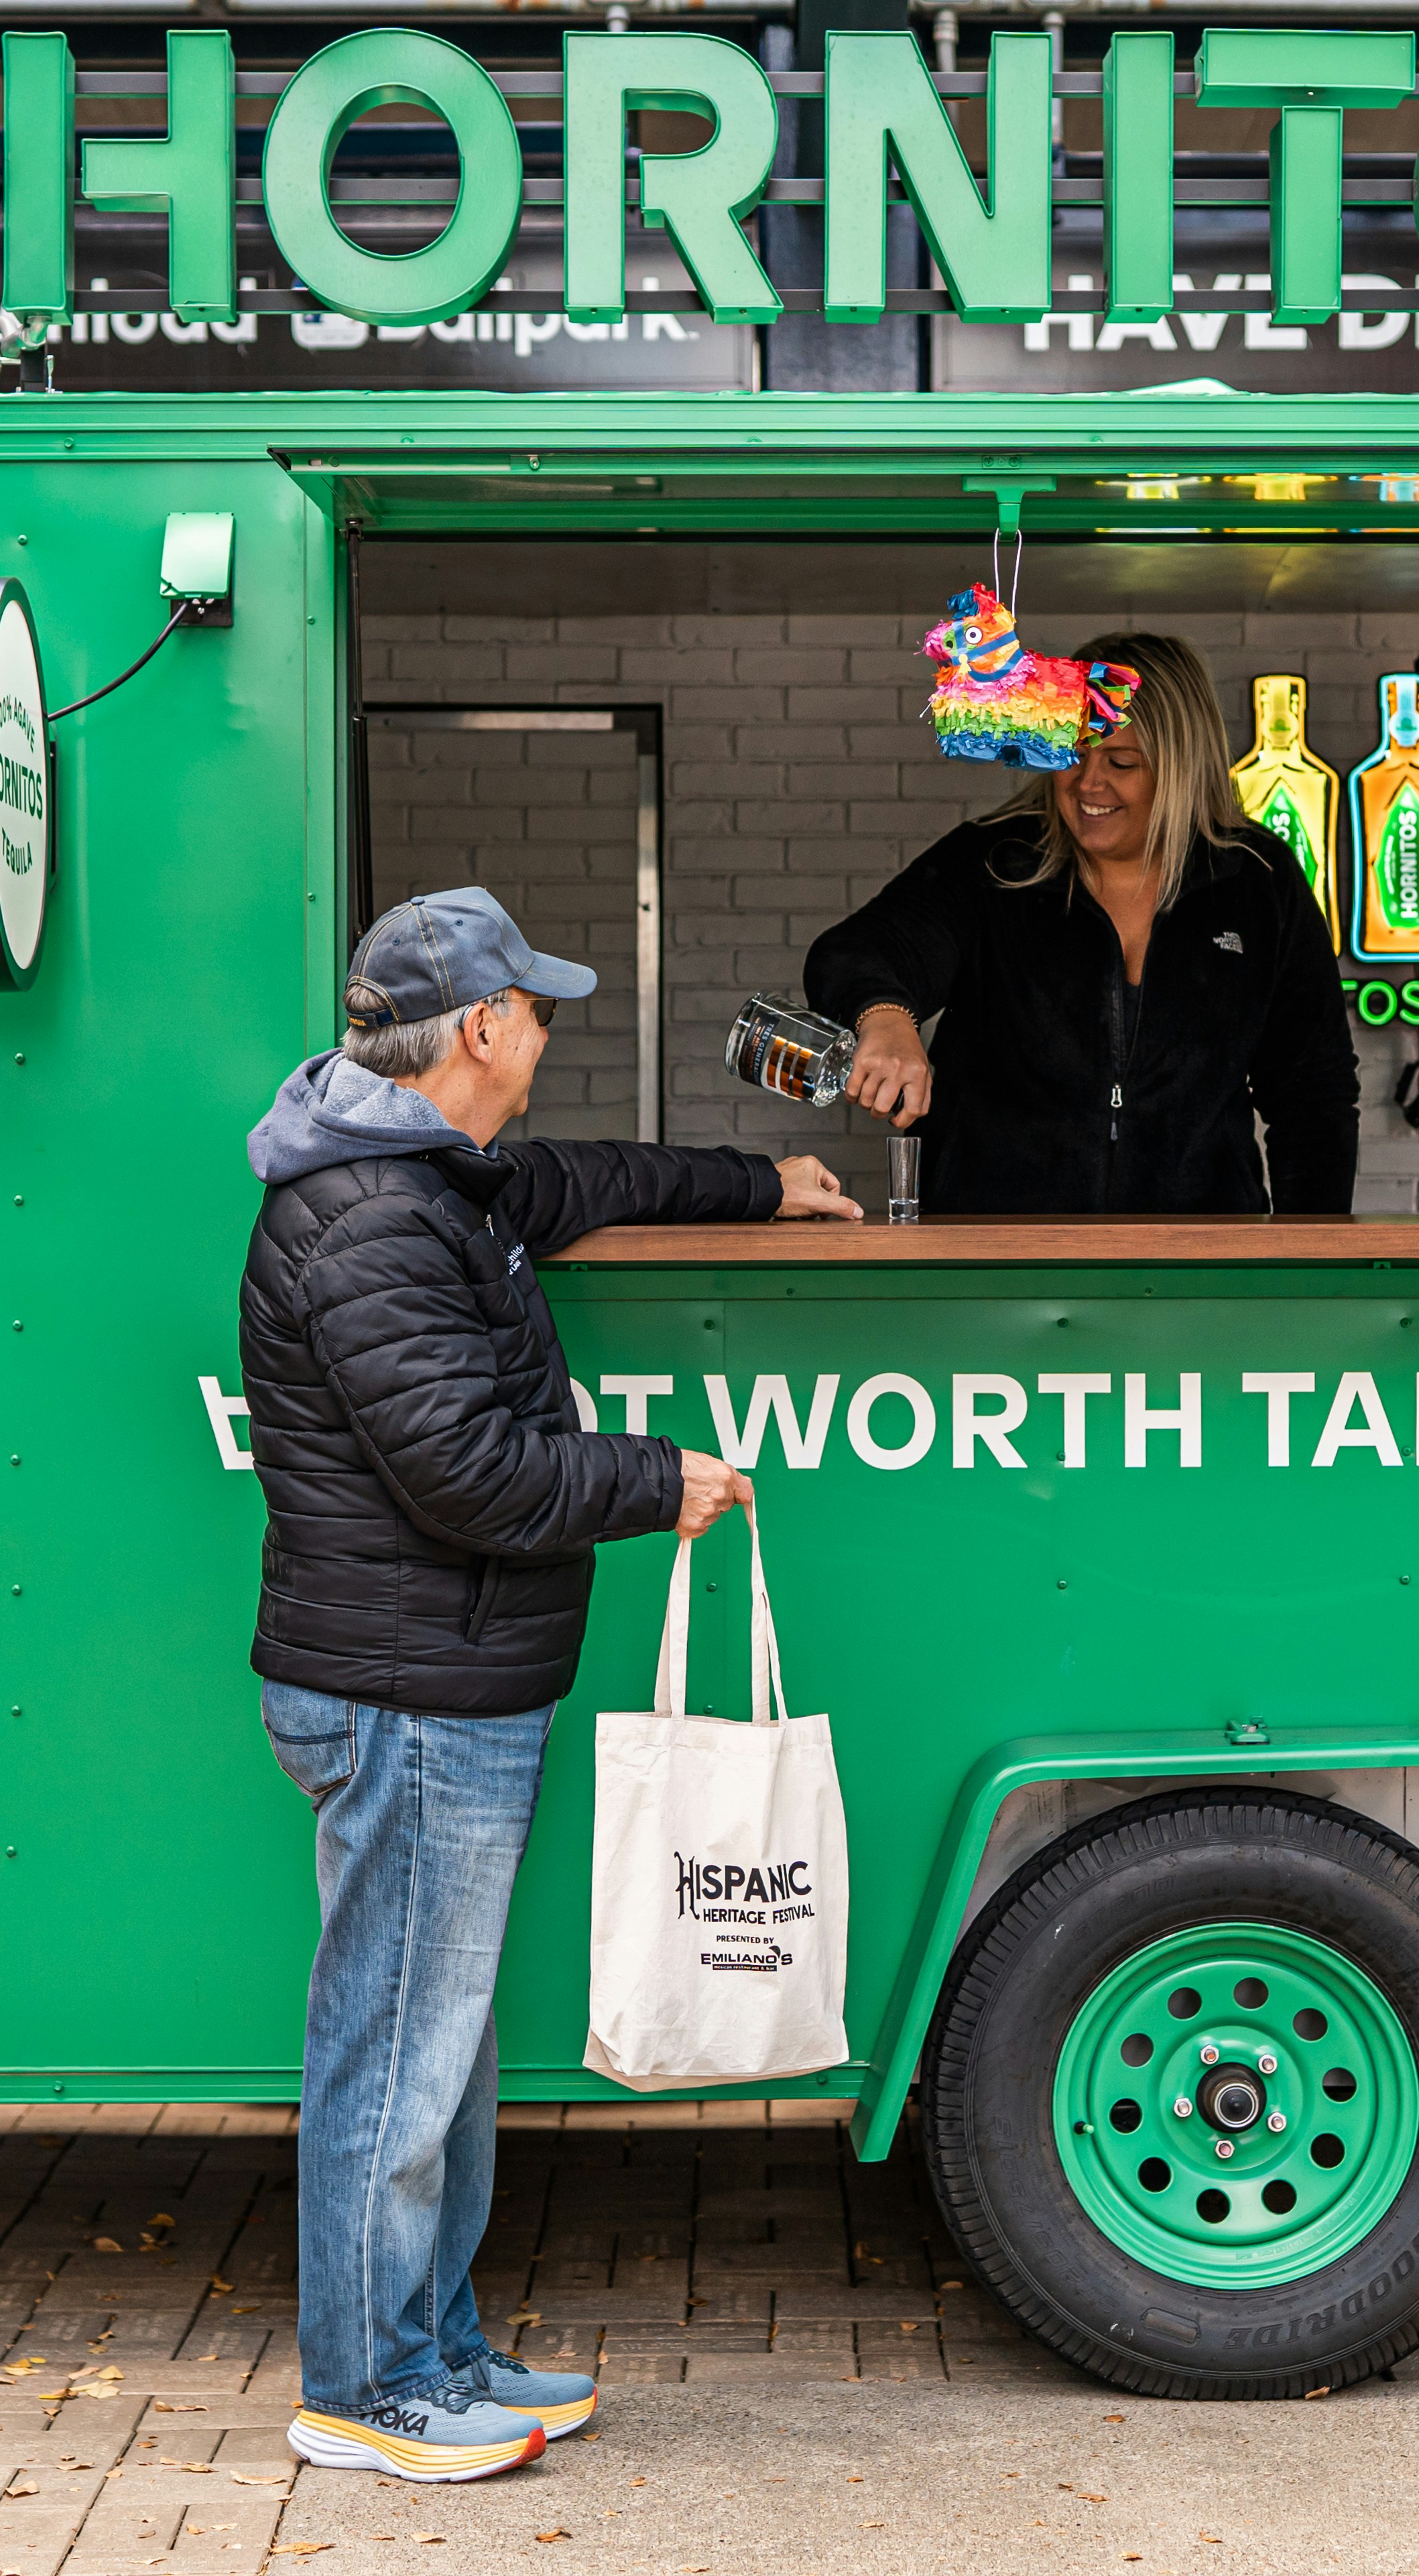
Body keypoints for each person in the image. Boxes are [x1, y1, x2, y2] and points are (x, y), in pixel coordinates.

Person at [238, 887, 860, 2485]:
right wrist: (657, 1481)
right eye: (536, 1009)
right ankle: (366, 2391)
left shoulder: (426, 1180)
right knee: (396, 2047)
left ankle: (434, 2349)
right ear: (482, 1030)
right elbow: (463, 1470)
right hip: (408, 1692)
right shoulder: (374, 1217)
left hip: (439, 1677)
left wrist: (755, 1183)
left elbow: (576, 1179)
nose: (547, 1033)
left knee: (437, 2044)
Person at [804, 630, 1359, 1215]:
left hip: (1201, 1264)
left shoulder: (1256, 880)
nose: (1088, 784)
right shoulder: (993, 863)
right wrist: (885, 1016)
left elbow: (1313, 1093)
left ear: (1181, 766)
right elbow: (856, 951)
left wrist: (1314, 1261)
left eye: (1121, 761)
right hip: (992, 1259)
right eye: (1071, 752)